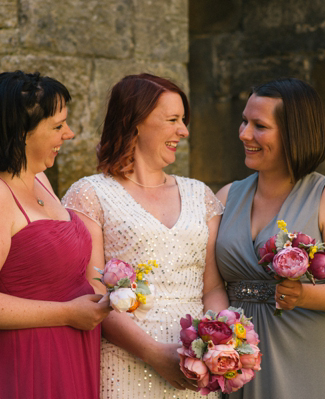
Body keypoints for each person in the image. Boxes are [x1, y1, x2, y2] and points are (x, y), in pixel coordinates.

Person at [62, 73, 228, 399]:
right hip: (125, 365)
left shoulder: (201, 195)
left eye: (184, 120)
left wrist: (216, 345)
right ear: (136, 122)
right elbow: (94, 294)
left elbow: (213, 287)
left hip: (194, 372)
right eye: (173, 120)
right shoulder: (89, 194)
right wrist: (153, 353)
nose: (184, 130)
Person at [0, 71, 111, 399]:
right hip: (27, 359)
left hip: (73, 350)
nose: (69, 134)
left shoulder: (40, 180)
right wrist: (67, 312)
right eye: (57, 126)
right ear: (20, 133)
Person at [215, 77, 325, 398]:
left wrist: (302, 295)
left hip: (304, 349)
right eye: (244, 121)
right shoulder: (227, 196)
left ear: (293, 133)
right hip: (235, 355)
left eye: (260, 125)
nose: (244, 134)